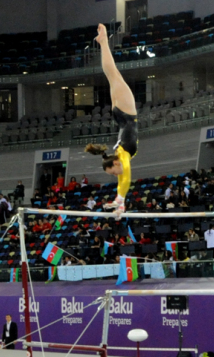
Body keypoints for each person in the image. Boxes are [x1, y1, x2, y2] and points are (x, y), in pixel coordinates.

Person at [85, 23, 138, 219]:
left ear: (114, 163)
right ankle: (103, 41)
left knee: (112, 73)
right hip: (124, 113)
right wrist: (119, 202)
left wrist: (120, 201)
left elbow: (125, 178)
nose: (117, 175)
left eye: (113, 172)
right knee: (111, 74)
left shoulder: (122, 154)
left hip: (125, 112)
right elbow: (125, 178)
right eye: (113, 174)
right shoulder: (121, 155)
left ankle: (104, 40)